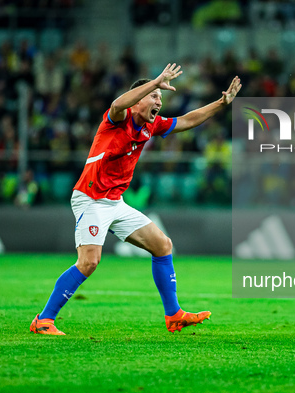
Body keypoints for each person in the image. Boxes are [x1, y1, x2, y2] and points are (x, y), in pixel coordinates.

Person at [30, 64, 242, 335]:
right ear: (139, 98)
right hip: (91, 198)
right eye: (155, 97)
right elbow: (118, 102)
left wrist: (221, 103)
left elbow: (187, 120)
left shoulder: (151, 126)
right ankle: (44, 320)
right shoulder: (116, 118)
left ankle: (174, 315)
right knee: (89, 262)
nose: (159, 102)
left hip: (115, 202)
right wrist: (155, 82)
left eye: (161, 99)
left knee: (163, 246)